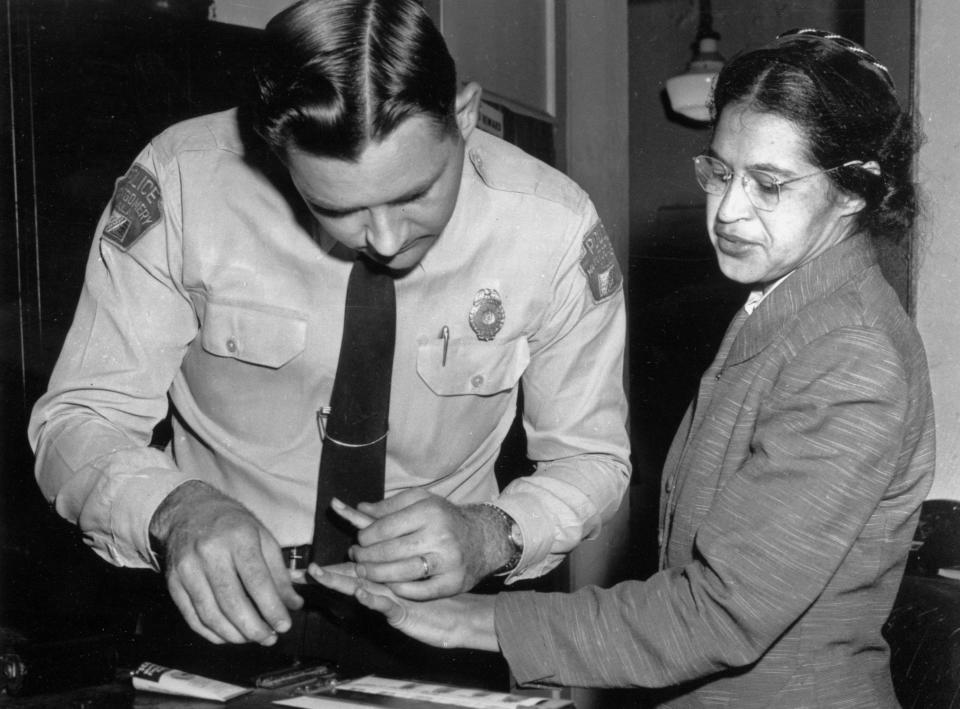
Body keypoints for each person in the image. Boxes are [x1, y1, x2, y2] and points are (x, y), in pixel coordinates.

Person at [314, 28, 935, 707]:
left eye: (768, 183)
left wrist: (470, 619)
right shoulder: (793, 307)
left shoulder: (850, 354)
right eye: (720, 171)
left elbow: (721, 613)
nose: (727, 209)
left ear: (853, 192)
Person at [27, 0, 629, 678]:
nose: (386, 240)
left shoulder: (553, 228)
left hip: (441, 622)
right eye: (336, 208)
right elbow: (77, 420)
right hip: (216, 613)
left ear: (463, 116)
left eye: (417, 194)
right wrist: (175, 510)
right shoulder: (182, 182)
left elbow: (592, 458)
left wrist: (492, 533)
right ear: (275, 152)